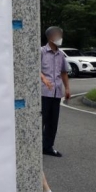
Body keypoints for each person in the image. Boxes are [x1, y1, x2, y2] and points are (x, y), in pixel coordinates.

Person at [41, 26, 71, 157]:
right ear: (50, 37)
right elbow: (34, 68)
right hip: (43, 92)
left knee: (53, 122)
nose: (60, 38)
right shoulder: (41, 51)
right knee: (41, 120)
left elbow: (64, 72)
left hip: (56, 92)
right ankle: (34, 147)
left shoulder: (61, 54)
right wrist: (43, 78)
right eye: (57, 35)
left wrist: (67, 88)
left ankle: (48, 147)